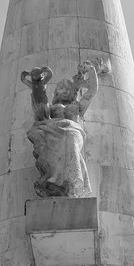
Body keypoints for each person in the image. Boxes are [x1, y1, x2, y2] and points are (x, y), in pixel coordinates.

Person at [26, 61, 98, 198]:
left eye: (67, 88)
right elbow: (41, 111)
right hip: (52, 129)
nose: (64, 90)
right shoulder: (53, 107)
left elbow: (92, 91)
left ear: (73, 92)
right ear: (56, 93)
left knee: (71, 141)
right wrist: (37, 84)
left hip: (72, 131)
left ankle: (70, 185)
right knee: (47, 143)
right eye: (61, 88)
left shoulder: (78, 106)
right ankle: (53, 182)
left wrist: (91, 70)